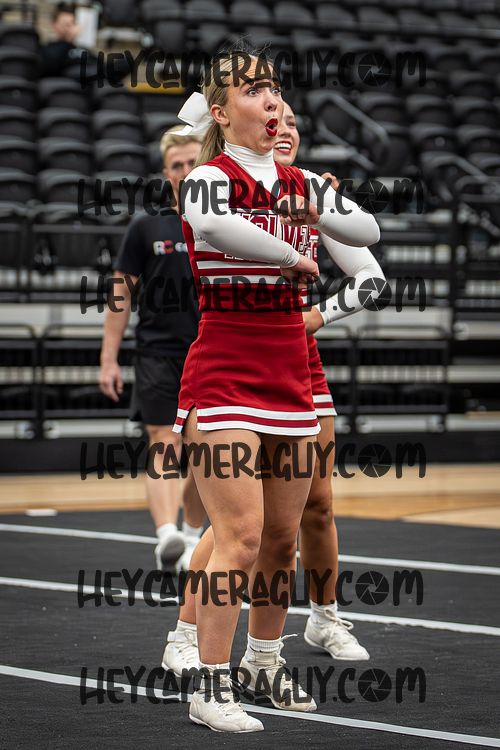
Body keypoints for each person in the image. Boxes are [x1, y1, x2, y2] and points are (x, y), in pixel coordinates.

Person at [168, 51, 380, 733]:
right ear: (221, 111)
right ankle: (209, 685)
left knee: (281, 539)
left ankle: (265, 660)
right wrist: (290, 252)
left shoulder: (301, 180)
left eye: (275, 89)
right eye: (254, 89)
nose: (271, 100)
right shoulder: (208, 176)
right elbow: (214, 226)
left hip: (291, 373)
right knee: (239, 536)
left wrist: (316, 203)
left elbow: (368, 235)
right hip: (226, 370)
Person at [99, 127, 205, 572]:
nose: (185, 170)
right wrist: (108, 358)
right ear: (167, 173)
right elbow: (120, 292)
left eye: (193, 162)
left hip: (211, 354)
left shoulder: (225, 225)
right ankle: (167, 537)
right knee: (163, 439)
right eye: (177, 165)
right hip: (158, 353)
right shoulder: (147, 226)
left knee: (206, 452)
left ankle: (193, 536)